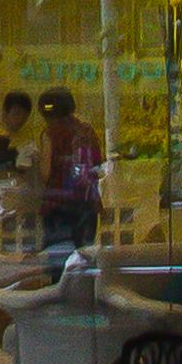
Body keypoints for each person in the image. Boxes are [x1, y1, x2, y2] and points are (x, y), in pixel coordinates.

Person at [34, 88, 106, 248]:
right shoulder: (87, 131)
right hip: (87, 203)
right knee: (82, 258)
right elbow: (97, 164)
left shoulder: (50, 134)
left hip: (58, 204)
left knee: (58, 258)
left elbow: (46, 173)